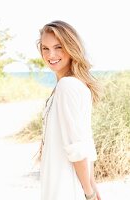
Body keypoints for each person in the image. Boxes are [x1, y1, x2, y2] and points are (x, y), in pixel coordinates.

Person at [37, 20, 101, 200]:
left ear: (71, 47)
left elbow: (78, 146)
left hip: (64, 186)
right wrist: (92, 187)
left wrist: (89, 192)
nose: (51, 55)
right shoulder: (72, 84)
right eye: (45, 48)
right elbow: (85, 141)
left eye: (59, 47)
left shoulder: (67, 86)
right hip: (66, 183)